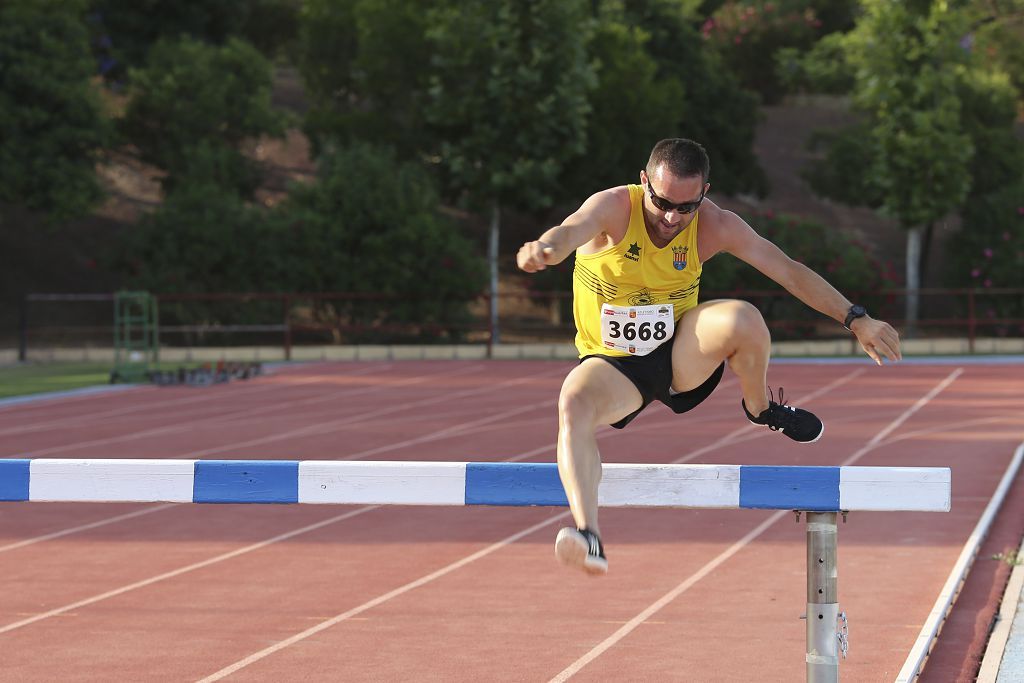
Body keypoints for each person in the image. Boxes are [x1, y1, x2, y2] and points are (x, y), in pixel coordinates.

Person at [516, 138, 901, 576]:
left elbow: (789, 270)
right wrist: (545, 248)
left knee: (744, 318)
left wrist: (857, 319)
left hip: (681, 356)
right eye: (661, 203)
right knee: (573, 403)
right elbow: (570, 230)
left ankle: (760, 409)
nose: (671, 218)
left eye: (686, 207)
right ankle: (589, 535)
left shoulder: (716, 224)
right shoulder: (612, 208)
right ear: (645, 182)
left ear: (704, 194)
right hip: (615, 367)